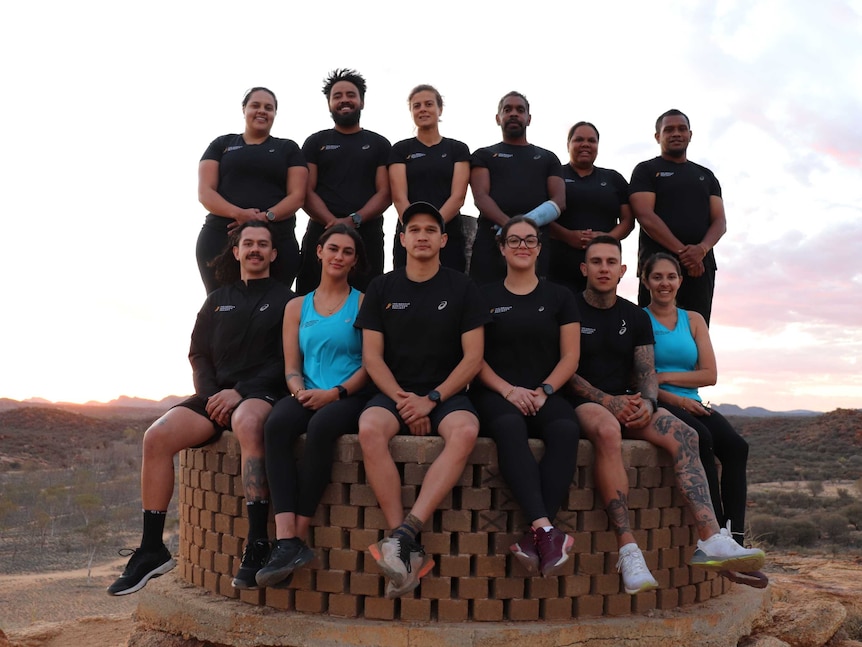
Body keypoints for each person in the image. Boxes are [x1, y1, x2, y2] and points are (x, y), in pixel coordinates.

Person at [567, 235, 765, 595]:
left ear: (622, 270)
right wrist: (609, 400)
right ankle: (629, 551)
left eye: (611, 262)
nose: (604, 268)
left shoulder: (632, 316)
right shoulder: (568, 309)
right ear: (584, 268)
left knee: (688, 435)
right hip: (588, 405)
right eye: (596, 262)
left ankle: (712, 540)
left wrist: (647, 401)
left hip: (629, 402)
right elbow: (566, 368)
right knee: (609, 431)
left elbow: (646, 373)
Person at [108, 222, 294, 596]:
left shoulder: (289, 301)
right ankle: (152, 550)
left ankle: (258, 542)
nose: (255, 249)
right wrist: (212, 396)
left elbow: (288, 359)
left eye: (263, 244)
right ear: (237, 251)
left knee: (249, 423)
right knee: (156, 437)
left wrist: (239, 393)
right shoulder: (216, 299)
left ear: (274, 254)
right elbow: (198, 354)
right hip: (214, 397)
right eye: (248, 244)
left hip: (261, 393)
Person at [355, 201, 490, 598]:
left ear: (444, 240)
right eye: (414, 230)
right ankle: (403, 544)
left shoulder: (462, 288)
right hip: (394, 392)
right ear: (402, 240)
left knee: (466, 430)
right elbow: (371, 357)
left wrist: (431, 399)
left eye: (431, 230)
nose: (422, 236)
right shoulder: (382, 287)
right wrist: (403, 400)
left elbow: (474, 358)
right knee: (368, 428)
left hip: (445, 393)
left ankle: (404, 534)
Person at [256, 224, 370, 588]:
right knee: (275, 426)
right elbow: (292, 366)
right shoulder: (296, 306)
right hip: (306, 392)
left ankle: (295, 539)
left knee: (321, 430)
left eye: (347, 252)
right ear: (318, 252)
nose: (339, 256)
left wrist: (334, 393)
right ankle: (286, 538)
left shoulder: (363, 303)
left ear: (354, 261)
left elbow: (371, 365)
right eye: (333, 248)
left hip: (349, 394)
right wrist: (298, 390)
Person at [641, 253, 763, 586]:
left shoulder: (693, 319)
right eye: (657, 277)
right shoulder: (639, 320)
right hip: (662, 404)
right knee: (703, 441)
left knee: (737, 447)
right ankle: (716, 539)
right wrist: (671, 393)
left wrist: (663, 376)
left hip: (694, 400)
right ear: (645, 280)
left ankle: (734, 537)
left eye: (671, 277)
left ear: (680, 281)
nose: (665, 283)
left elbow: (709, 375)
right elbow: (640, 379)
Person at [471, 216, 581, 577]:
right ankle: (547, 532)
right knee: (508, 426)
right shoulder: (483, 295)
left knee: (566, 430)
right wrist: (507, 390)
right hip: (497, 392)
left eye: (529, 240)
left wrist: (546, 389)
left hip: (544, 392)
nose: (522, 246)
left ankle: (536, 536)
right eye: (514, 240)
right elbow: (475, 357)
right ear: (501, 248)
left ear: (539, 247)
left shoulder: (560, 296)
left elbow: (570, 356)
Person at [196, 87, 308, 294]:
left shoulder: (288, 149)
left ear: (275, 113)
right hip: (221, 236)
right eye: (255, 105)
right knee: (221, 306)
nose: (262, 111)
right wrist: (239, 214)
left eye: (269, 107)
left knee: (274, 308)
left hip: (278, 238)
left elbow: (297, 196)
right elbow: (205, 192)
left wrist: (265, 217)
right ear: (244, 109)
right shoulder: (222, 144)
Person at [296, 69, 391, 294]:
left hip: (367, 233)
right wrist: (333, 222)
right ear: (329, 104)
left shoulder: (379, 144)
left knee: (368, 301)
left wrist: (354, 220)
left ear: (362, 101)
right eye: (337, 96)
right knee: (310, 297)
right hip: (321, 231)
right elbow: (306, 191)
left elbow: (385, 192)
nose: (344, 100)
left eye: (351, 94)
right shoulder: (315, 142)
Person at [629, 109, 726, 324]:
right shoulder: (646, 170)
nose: (676, 133)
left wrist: (701, 250)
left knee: (696, 330)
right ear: (658, 136)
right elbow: (645, 216)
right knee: (651, 331)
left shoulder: (707, 176)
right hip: (656, 265)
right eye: (669, 129)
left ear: (690, 135)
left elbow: (720, 222)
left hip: (700, 268)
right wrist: (684, 253)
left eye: (682, 129)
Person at [470, 91, 565, 284]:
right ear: (498, 118)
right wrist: (510, 228)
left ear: (529, 119)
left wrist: (524, 230)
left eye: (520, 110)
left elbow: (559, 202)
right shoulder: (484, 155)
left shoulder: (548, 158)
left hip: (535, 244)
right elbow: (480, 196)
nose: (514, 114)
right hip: (491, 244)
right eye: (507, 109)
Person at [389, 84, 471, 271]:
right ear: (410, 111)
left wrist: (433, 230)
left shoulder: (457, 149)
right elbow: (399, 197)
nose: (423, 109)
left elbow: (458, 197)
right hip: (408, 235)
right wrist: (416, 232)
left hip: (447, 233)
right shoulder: (400, 150)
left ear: (439, 109)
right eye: (416, 106)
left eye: (428, 104)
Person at [548, 121, 634, 293]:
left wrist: (606, 239)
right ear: (568, 145)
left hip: (603, 271)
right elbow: (540, 217)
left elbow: (628, 220)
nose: (585, 144)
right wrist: (567, 236)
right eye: (579, 139)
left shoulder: (614, 179)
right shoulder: (554, 176)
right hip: (558, 268)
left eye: (591, 141)